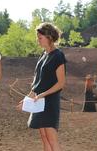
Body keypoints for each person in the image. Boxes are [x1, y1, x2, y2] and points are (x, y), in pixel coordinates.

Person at [17, 23, 66, 151]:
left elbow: (61, 83)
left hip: (49, 102)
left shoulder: (58, 55)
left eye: (40, 37)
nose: (37, 40)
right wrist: (28, 97)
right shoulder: (43, 55)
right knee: (44, 137)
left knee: (52, 139)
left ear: (49, 37)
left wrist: (42, 95)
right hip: (38, 101)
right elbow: (38, 81)